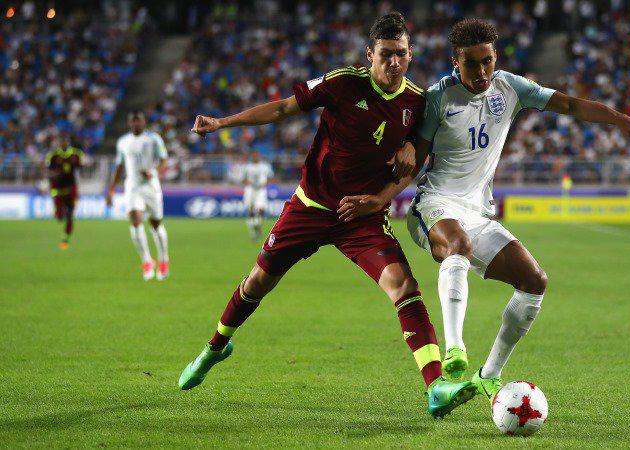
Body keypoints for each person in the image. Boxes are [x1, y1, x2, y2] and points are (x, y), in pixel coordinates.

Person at [339, 18, 630, 403]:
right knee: (458, 244)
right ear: (456, 62)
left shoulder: (510, 87)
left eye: (487, 61)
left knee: (534, 281)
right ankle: (455, 352)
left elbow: (570, 104)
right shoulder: (439, 97)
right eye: (472, 64)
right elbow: (416, 158)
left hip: (476, 212)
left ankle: (489, 376)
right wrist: (381, 198)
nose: (482, 71)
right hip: (434, 206)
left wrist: (621, 120)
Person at [178, 12, 476, 418]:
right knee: (258, 282)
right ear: (369, 54)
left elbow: (418, 158)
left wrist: (402, 165)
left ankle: (437, 385)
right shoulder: (342, 83)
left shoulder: (417, 103)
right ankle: (214, 347)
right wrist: (221, 122)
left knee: (404, 287)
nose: (394, 62)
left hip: (363, 216)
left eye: (401, 54)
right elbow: (284, 108)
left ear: (410, 55)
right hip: (311, 208)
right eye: (385, 54)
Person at [106, 111, 170, 280]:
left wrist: (154, 172)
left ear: (143, 122)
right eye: (133, 121)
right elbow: (119, 167)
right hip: (132, 186)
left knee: (156, 224)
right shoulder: (123, 142)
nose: (136, 124)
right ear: (129, 123)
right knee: (135, 219)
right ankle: (147, 261)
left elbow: (164, 160)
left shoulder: (154, 139)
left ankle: (164, 259)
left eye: (139, 121)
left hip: (150, 186)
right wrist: (111, 189)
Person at [44, 135, 83, 249]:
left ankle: (65, 239)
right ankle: (60, 213)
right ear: (58, 143)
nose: (63, 143)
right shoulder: (53, 155)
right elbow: (47, 171)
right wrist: (53, 175)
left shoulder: (76, 154)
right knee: (60, 217)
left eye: (65, 140)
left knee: (70, 215)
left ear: (68, 141)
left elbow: (81, 169)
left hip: (71, 189)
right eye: (61, 141)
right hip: (58, 190)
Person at [241, 151, 274, 241]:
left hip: (261, 190)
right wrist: (247, 182)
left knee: (261, 209)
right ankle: (253, 231)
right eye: (253, 155)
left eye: (256, 155)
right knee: (250, 209)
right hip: (250, 189)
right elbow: (242, 179)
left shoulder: (265, 166)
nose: (255, 156)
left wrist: (266, 183)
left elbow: (271, 177)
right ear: (252, 156)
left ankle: (257, 224)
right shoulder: (247, 167)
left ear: (259, 156)